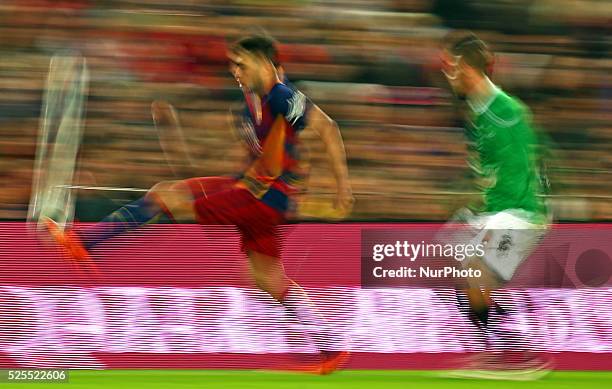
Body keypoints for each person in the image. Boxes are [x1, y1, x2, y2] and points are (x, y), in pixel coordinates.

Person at [46, 33, 353, 374]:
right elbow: (248, 165)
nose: (234, 70)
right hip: (260, 197)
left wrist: (343, 189)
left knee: (168, 196)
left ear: (263, 62)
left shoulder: (280, 94)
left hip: (261, 197)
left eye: (240, 63)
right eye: (231, 65)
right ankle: (330, 350)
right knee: (265, 276)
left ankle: (86, 242)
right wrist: (175, 142)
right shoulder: (248, 110)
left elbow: (327, 127)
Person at [439, 31, 551, 379]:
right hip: (499, 209)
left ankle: (515, 350)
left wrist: (492, 224)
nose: (448, 77)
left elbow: (522, 174)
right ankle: (501, 342)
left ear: (466, 70)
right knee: (452, 256)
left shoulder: (506, 111)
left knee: (476, 269)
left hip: (519, 213)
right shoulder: (478, 112)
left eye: (452, 69)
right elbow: (491, 174)